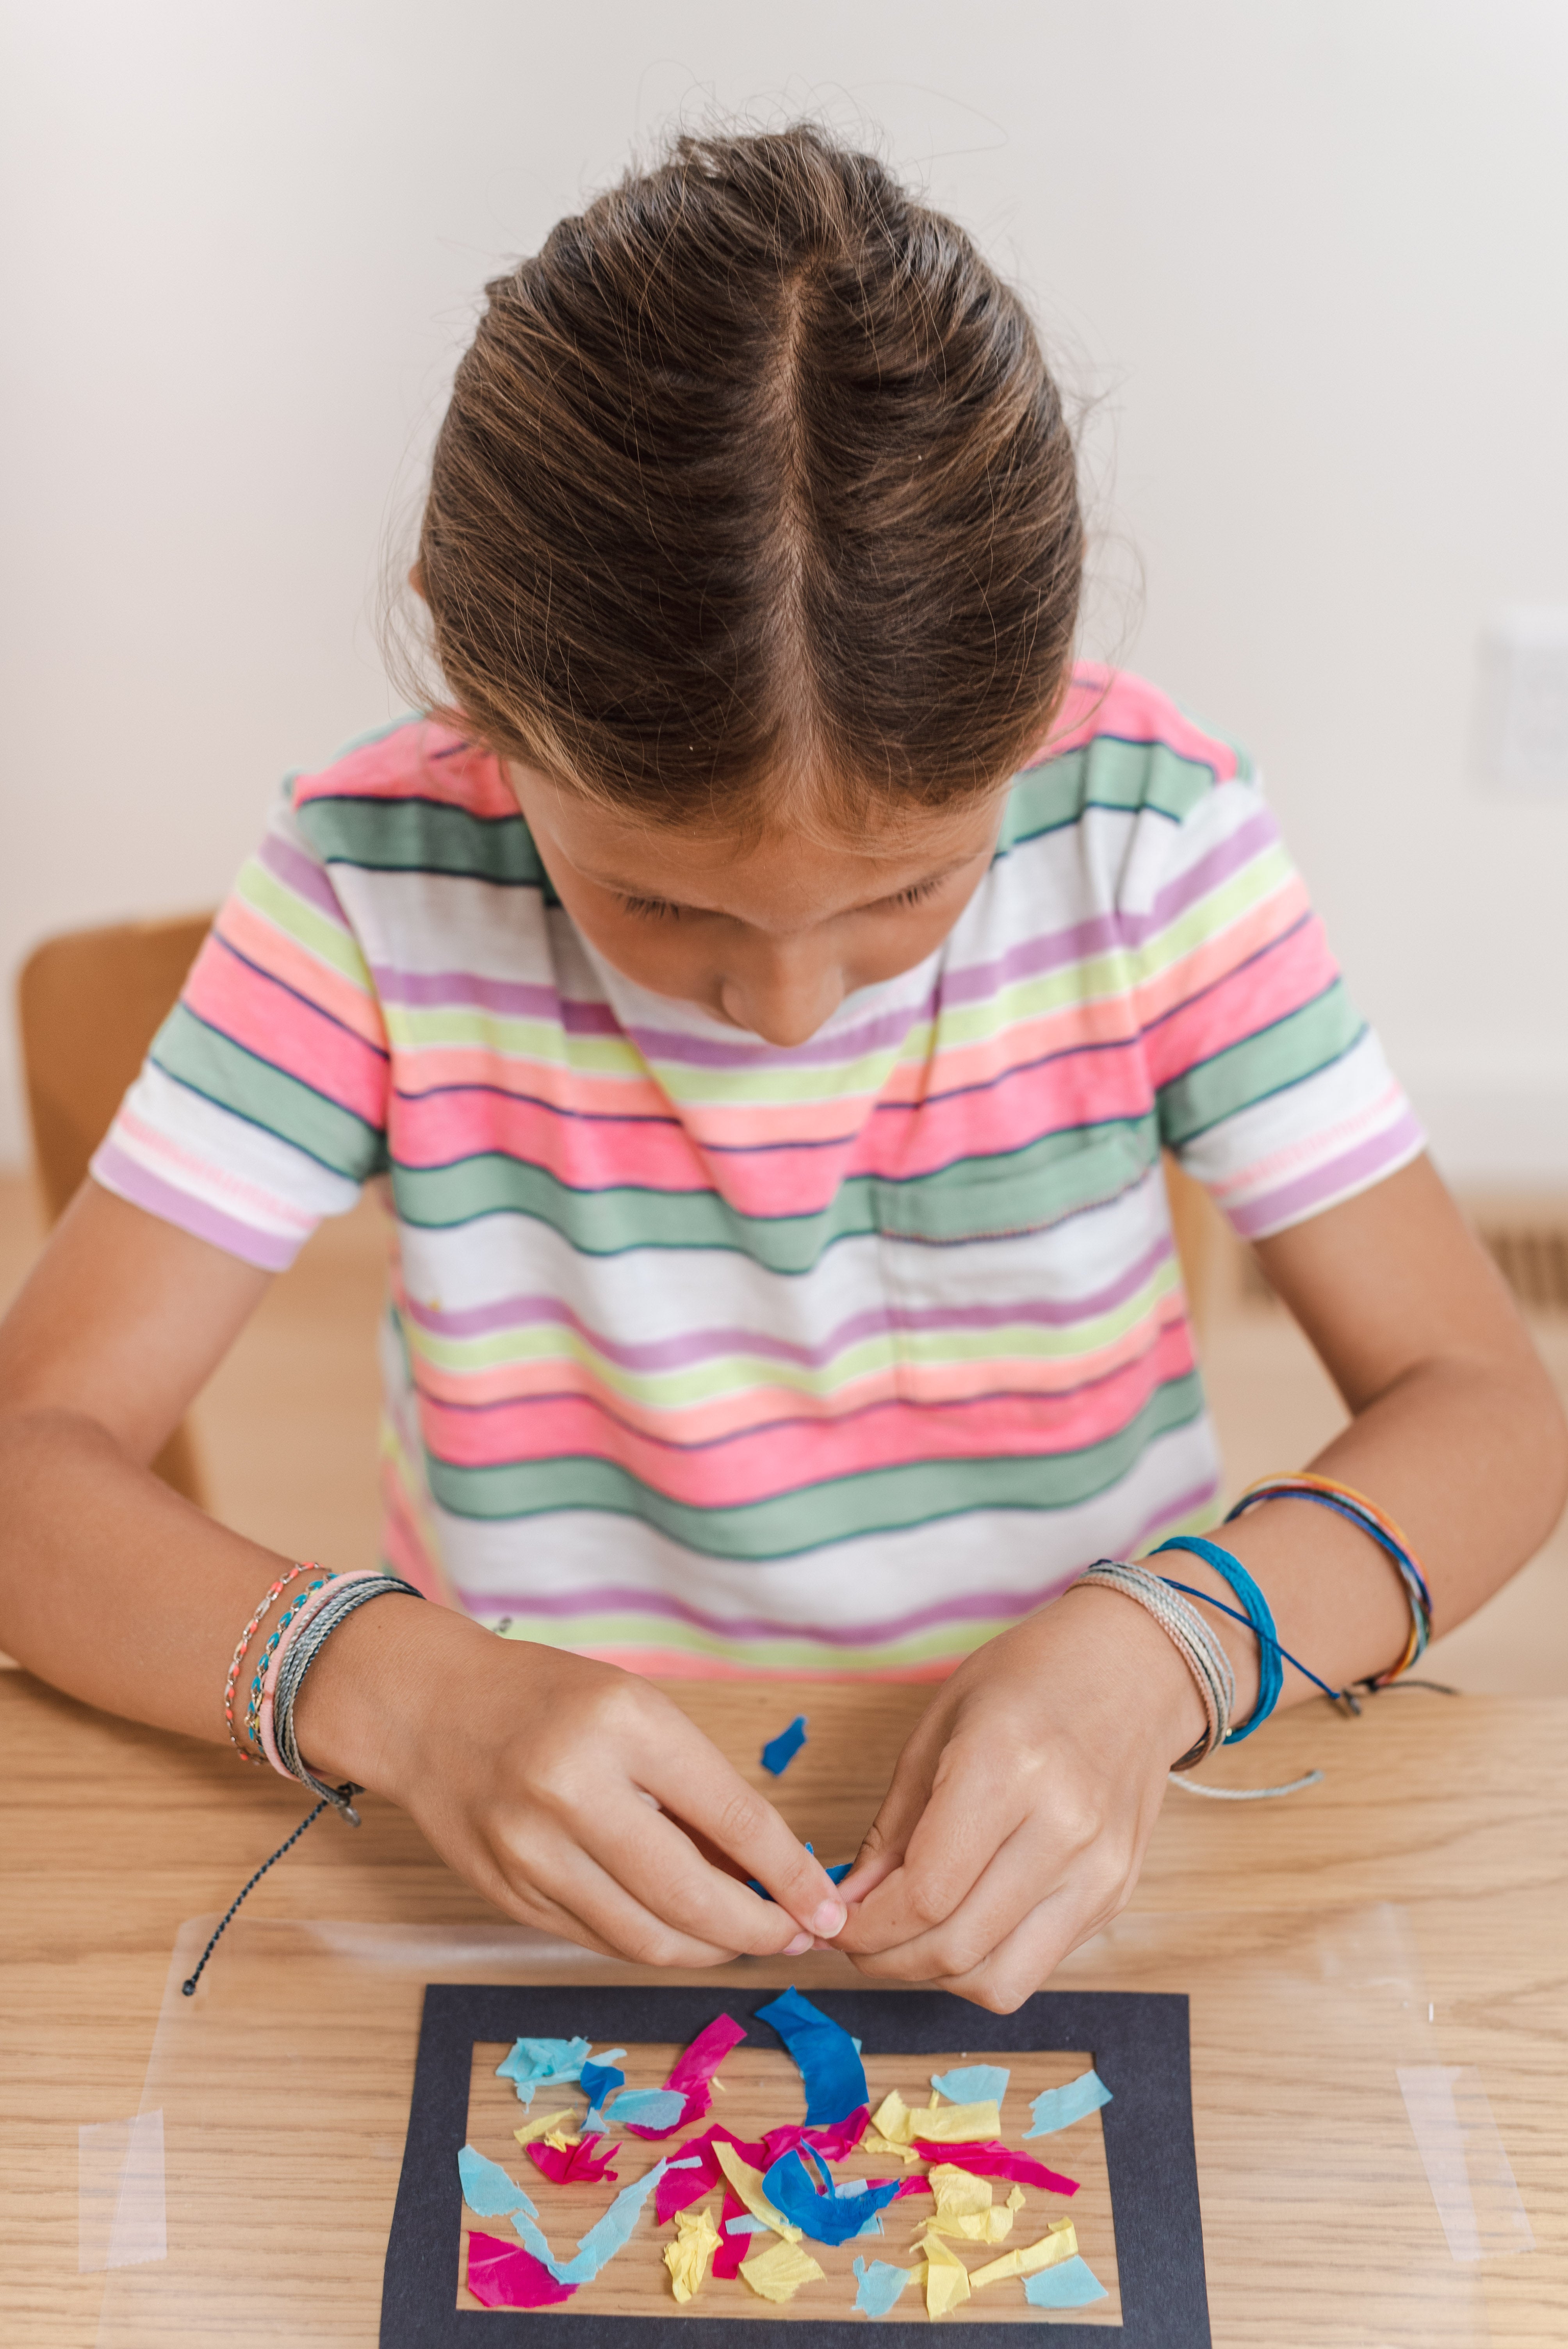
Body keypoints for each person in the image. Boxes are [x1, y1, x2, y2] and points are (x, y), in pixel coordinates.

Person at [0, 124, 1562, 2013]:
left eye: (907, 886)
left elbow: (1487, 1406)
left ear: (1041, 695)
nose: (790, 1012)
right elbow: (32, 1466)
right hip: (545, 1873)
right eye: (657, 903)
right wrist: (405, 1692)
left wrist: (1167, 1648)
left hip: (1094, 1840)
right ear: (468, 680)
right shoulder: (371, 883)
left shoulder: (1143, 836)